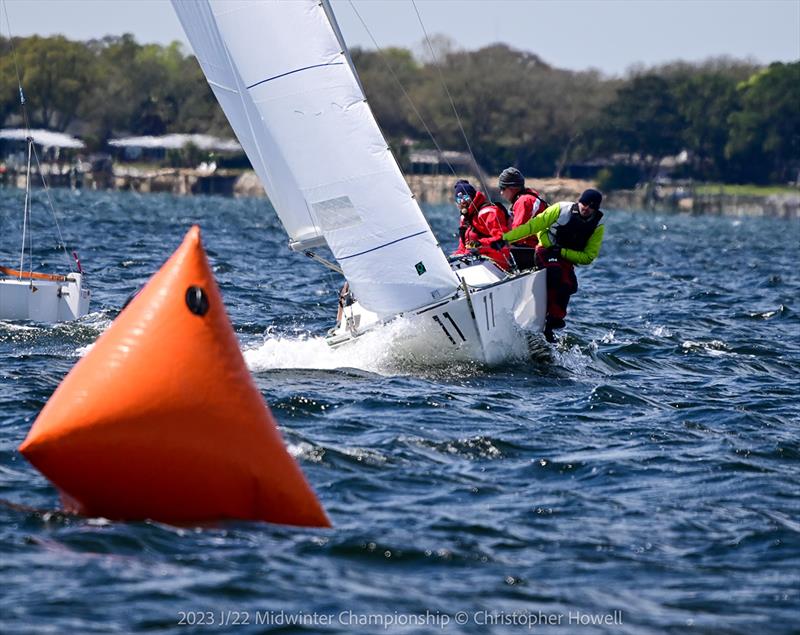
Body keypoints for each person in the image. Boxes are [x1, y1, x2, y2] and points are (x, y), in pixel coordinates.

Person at [492, 188, 605, 341]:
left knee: (569, 286)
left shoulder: (598, 226)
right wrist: (505, 239)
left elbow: (588, 257)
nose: (586, 208)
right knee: (554, 273)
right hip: (546, 250)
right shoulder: (560, 209)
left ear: (596, 209)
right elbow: (532, 226)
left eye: (592, 206)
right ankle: (540, 314)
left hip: (562, 256)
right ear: (579, 201)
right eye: (584, 203)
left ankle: (551, 324)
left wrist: (562, 252)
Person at [452, 179, 512, 271]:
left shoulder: (488, 212)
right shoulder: (465, 219)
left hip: (496, 264)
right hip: (474, 263)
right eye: (459, 199)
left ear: (472, 197)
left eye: (466, 197)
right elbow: (462, 247)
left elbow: (502, 238)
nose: (463, 202)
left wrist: (480, 244)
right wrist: (453, 259)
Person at [498, 167, 549, 270]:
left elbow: (518, 234)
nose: (501, 193)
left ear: (512, 188)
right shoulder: (527, 199)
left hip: (536, 251)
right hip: (535, 249)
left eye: (502, 188)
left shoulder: (524, 201)